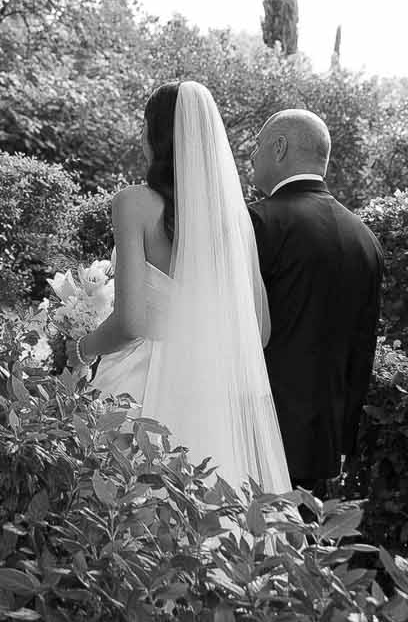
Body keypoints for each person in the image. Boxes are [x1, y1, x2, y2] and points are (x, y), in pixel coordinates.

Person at [75, 81, 291, 495]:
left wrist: (81, 348)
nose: (140, 138)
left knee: (121, 510)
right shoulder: (232, 222)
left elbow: (131, 323)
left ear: (158, 135)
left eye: (144, 126)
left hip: (138, 382)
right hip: (210, 394)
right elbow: (258, 331)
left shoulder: (133, 203)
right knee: (203, 506)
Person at [247, 108, 384, 496]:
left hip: (257, 430)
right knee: (298, 552)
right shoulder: (365, 239)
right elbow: (362, 352)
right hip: (320, 445)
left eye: (257, 145)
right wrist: (342, 443)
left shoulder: (259, 223)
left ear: (279, 147)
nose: (252, 157)